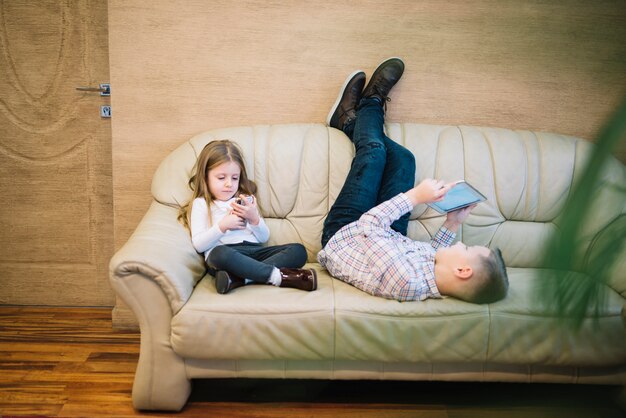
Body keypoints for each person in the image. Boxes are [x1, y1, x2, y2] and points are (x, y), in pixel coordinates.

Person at [318, 57, 508, 304]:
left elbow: (369, 226)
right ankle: (350, 121)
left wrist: (416, 196)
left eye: (468, 250)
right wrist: (452, 222)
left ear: (463, 271)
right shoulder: (432, 275)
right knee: (404, 159)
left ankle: (370, 103)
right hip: (387, 236)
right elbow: (430, 252)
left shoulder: (407, 282)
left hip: (347, 234)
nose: (463, 245)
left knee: (374, 153)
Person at [179, 140, 317, 294]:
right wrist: (222, 226)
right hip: (228, 255)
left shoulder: (245, 200)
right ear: (205, 177)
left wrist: (254, 219)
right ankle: (277, 276)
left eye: (234, 178)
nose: (229, 184)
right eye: (221, 178)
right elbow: (199, 245)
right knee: (219, 254)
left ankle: (239, 279)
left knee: (298, 251)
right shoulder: (202, 204)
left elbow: (263, 238)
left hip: (254, 253)